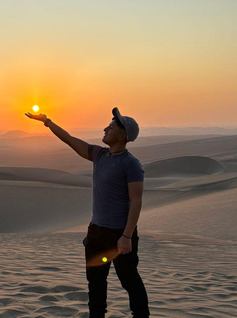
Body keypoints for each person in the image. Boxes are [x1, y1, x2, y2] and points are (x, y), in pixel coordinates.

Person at [25, 107, 150, 317]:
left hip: (120, 235)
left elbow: (136, 202)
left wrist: (127, 236)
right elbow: (69, 139)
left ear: (122, 136)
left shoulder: (131, 164)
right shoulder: (99, 154)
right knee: (96, 283)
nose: (105, 129)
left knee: (129, 280)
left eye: (110, 127)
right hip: (97, 234)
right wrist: (47, 121)